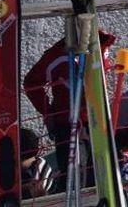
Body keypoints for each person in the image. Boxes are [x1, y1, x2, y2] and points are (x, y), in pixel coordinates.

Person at [23, 30, 117, 183]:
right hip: (68, 123)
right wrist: (49, 113)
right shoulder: (59, 55)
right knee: (74, 175)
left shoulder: (101, 46)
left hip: (98, 121)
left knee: (100, 172)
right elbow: (32, 83)